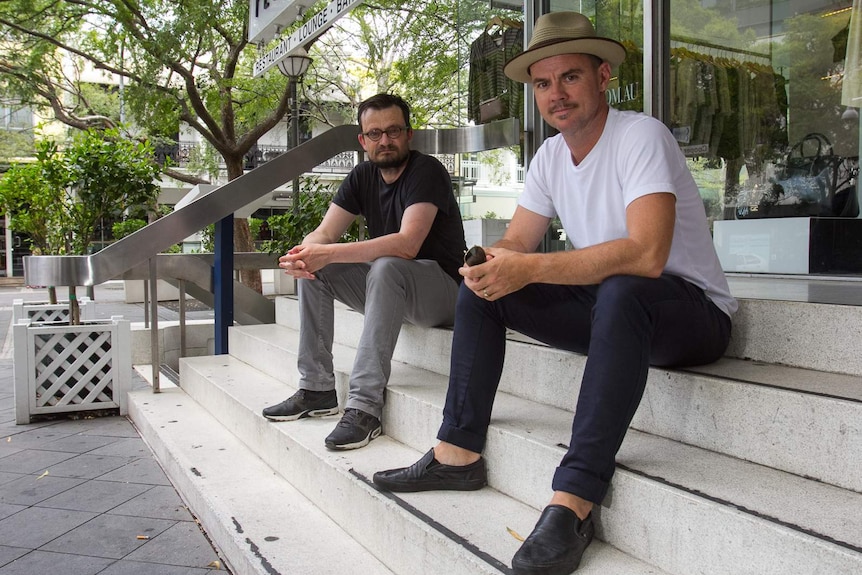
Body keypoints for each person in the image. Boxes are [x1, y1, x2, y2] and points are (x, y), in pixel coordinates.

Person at [372, 12, 737, 575]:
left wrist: (530, 266)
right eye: (542, 84)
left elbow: (647, 255)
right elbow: (518, 242)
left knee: (622, 289)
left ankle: (573, 499)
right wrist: (489, 265)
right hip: (613, 311)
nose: (556, 94)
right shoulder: (548, 157)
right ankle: (457, 452)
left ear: (603, 78)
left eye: (569, 77)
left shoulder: (640, 135)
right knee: (486, 289)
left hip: (690, 313)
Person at [262, 93, 467, 451]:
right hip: (392, 288)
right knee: (317, 268)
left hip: (444, 292)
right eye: (374, 133)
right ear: (363, 140)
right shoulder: (362, 175)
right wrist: (304, 254)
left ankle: (364, 407)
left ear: (408, 134)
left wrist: (327, 252)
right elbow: (325, 234)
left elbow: (407, 244)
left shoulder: (427, 171)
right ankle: (316, 388)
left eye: (393, 131)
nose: (384, 140)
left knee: (387, 264)